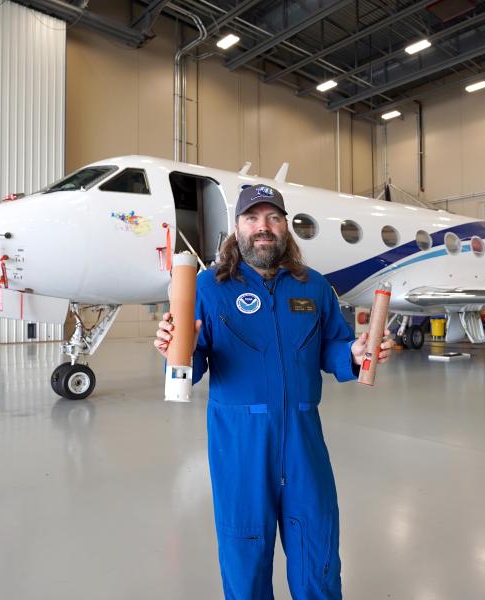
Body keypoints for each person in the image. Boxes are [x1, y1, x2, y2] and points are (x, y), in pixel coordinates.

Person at [154, 184, 392, 600]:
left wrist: (354, 352)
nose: (263, 227)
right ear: (237, 229)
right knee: (245, 559)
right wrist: (176, 349)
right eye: (252, 218)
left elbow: (332, 347)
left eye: (273, 218)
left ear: (285, 227)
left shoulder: (314, 287)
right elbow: (189, 368)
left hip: (304, 442)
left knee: (317, 552)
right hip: (240, 448)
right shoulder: (207, 288)